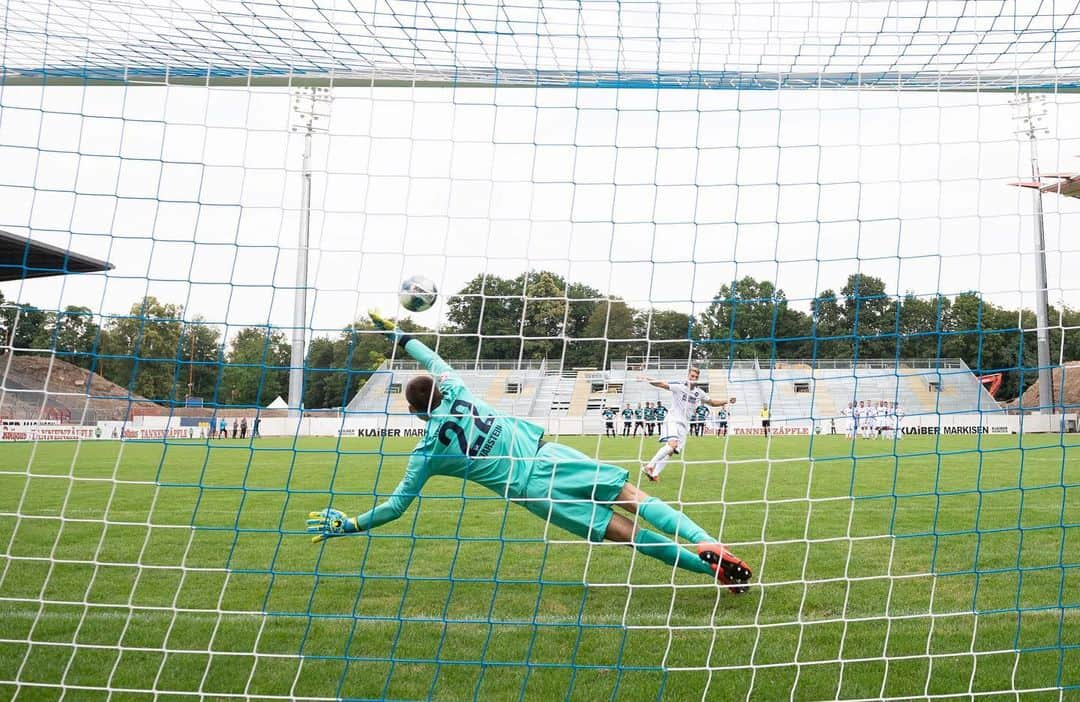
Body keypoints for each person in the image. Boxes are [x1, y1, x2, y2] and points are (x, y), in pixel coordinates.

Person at [305, 312, 752, 592]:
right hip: (551, 455)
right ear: (440, 389)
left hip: (532, 491)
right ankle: (706, 543)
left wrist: (353, 524)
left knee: (630, 535)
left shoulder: (427, 450)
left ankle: (709, 570)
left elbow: (396, 507)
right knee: (636, 497)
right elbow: (432, 359)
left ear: (416, 414)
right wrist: (402, 338)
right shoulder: (459, 390)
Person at [637, 369, 736, 482]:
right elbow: (661, 384)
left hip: (684, 425)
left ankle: (654, 474)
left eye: (695, 377)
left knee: (671, 451)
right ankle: (649, 466)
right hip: (673, 419)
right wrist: (647, 378)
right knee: (672, 444)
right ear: (687, 376)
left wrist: (727, 401)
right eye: (691, 376)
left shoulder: (699, 393)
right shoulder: (679, 387)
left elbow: (712, 402)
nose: (693, 378)